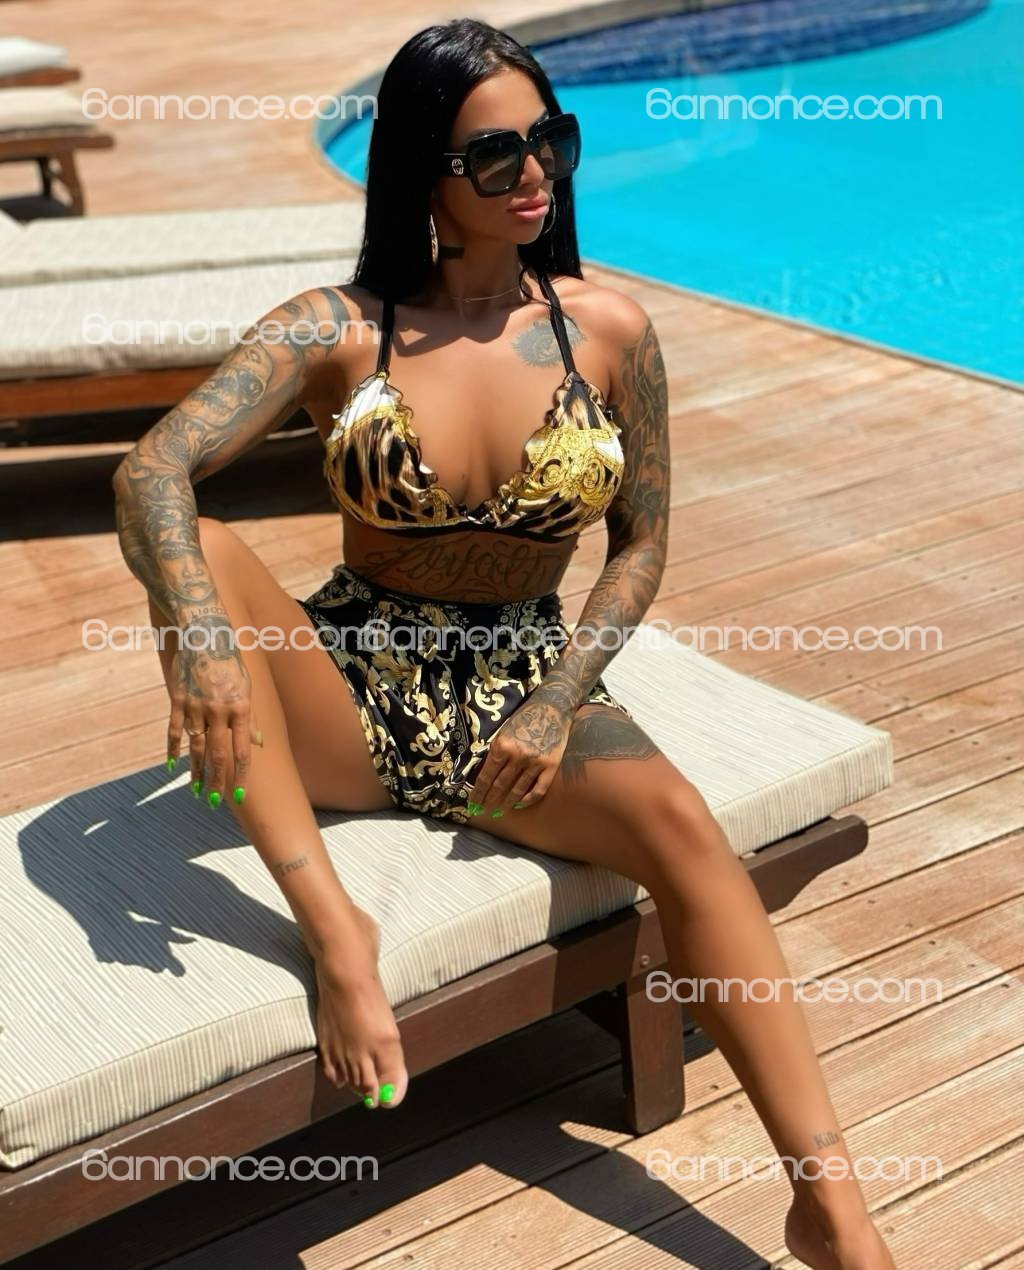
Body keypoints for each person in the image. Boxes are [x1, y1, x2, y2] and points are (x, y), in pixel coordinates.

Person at [111, 19, 895, 1269]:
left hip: (522, 692)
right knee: (192, 544)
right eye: (494, 154)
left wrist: (559, 696)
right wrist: (203, 635)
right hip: (347, 691)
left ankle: (834, 1215)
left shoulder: (610, 331)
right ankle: (337, 932)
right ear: (420, 171)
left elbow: (639, 544)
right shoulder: (337, 327)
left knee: (685, 831)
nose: (534, 173)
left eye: (550, 142)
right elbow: (150, 469)